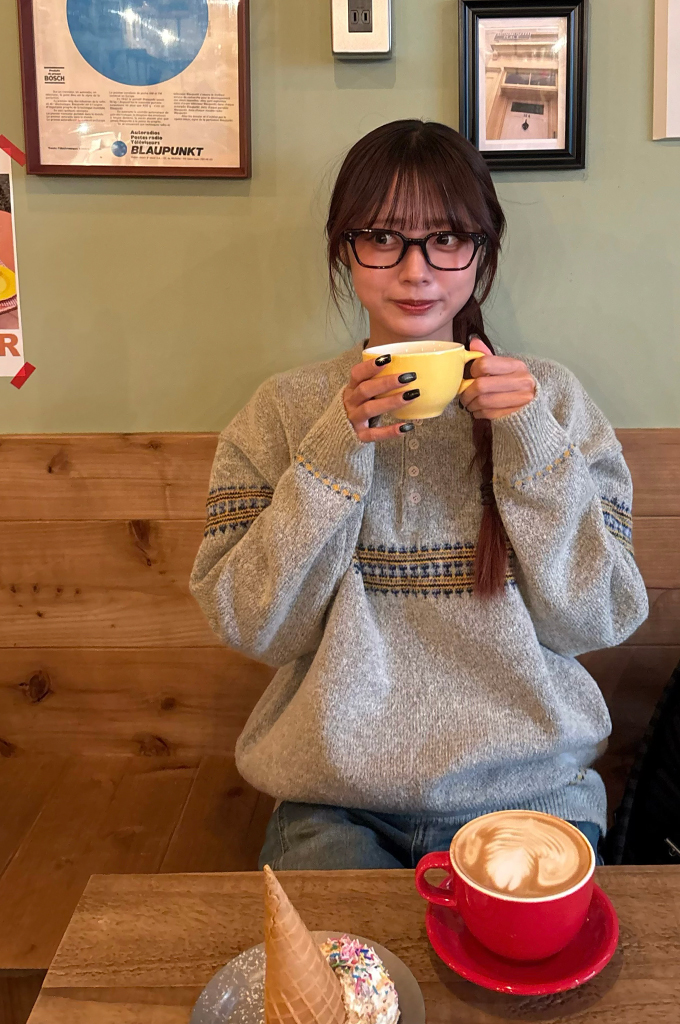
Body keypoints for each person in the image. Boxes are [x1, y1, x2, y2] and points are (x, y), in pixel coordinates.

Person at [189, 119, 649, 871]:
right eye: (382, 237)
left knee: (523, 952)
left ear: (482, 251)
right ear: (344, 248)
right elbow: (251, 625)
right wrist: (333, 453)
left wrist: (530, 442)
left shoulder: (552, 401)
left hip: (531, 792)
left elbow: (599, 617)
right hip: (335, 801)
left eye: (447, 238)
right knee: (347, 955)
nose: (416, 271)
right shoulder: (283, 411)